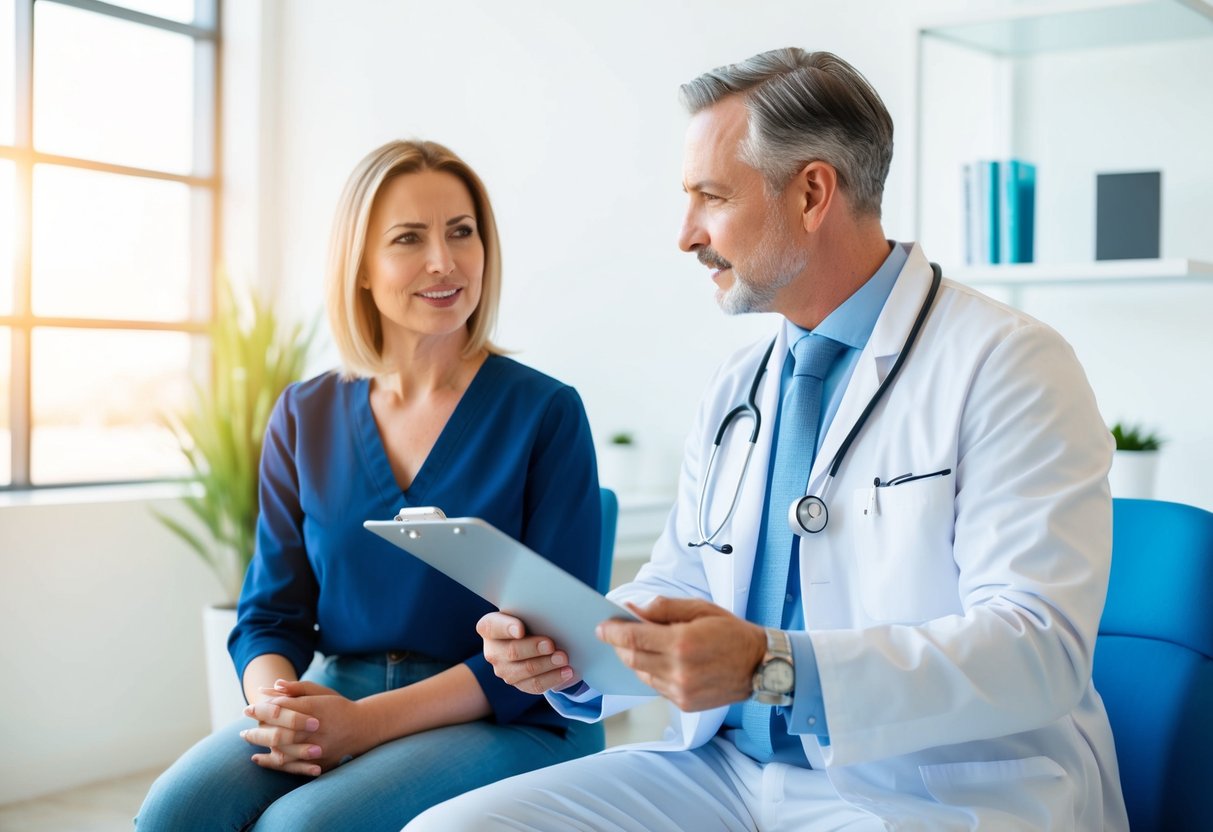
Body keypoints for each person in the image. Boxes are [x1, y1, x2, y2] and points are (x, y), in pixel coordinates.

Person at [407, 49, 1129, 831]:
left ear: (812, 193)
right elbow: (683, 580)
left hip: (928, 788)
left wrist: (777, 667)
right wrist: (577, 651)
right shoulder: (742, 382)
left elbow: (1037, 650)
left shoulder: (1009, 363)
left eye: (709, 198)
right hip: (725, 771)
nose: (685, 235)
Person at [137, 139, 605, 831]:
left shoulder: (544, 412)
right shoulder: (305, 413)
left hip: (508, 710)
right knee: (177, 811)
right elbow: (270, 613)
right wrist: (281, 711)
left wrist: (362, 724)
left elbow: (556, 641)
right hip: (342, 689)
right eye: (408, 239)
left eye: (461, 232)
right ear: (360, 267)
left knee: (303, 827)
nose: (443, 261)